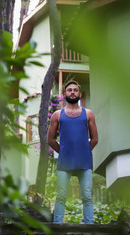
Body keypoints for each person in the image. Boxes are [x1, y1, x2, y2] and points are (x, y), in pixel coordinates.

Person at [48, 80, 98, 224]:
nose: (72, 92)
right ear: (64, 94)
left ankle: (90, 226)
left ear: (79, 94)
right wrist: (63, 152)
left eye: (75, 90)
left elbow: (94, 139)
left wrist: (84, 152)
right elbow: (50, 140)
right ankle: (57, 225)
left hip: (85, 162)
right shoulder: (57, 115)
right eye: (69, 90)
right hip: (64, 163)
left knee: (87, 196)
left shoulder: (88, 114)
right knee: (61, 196)